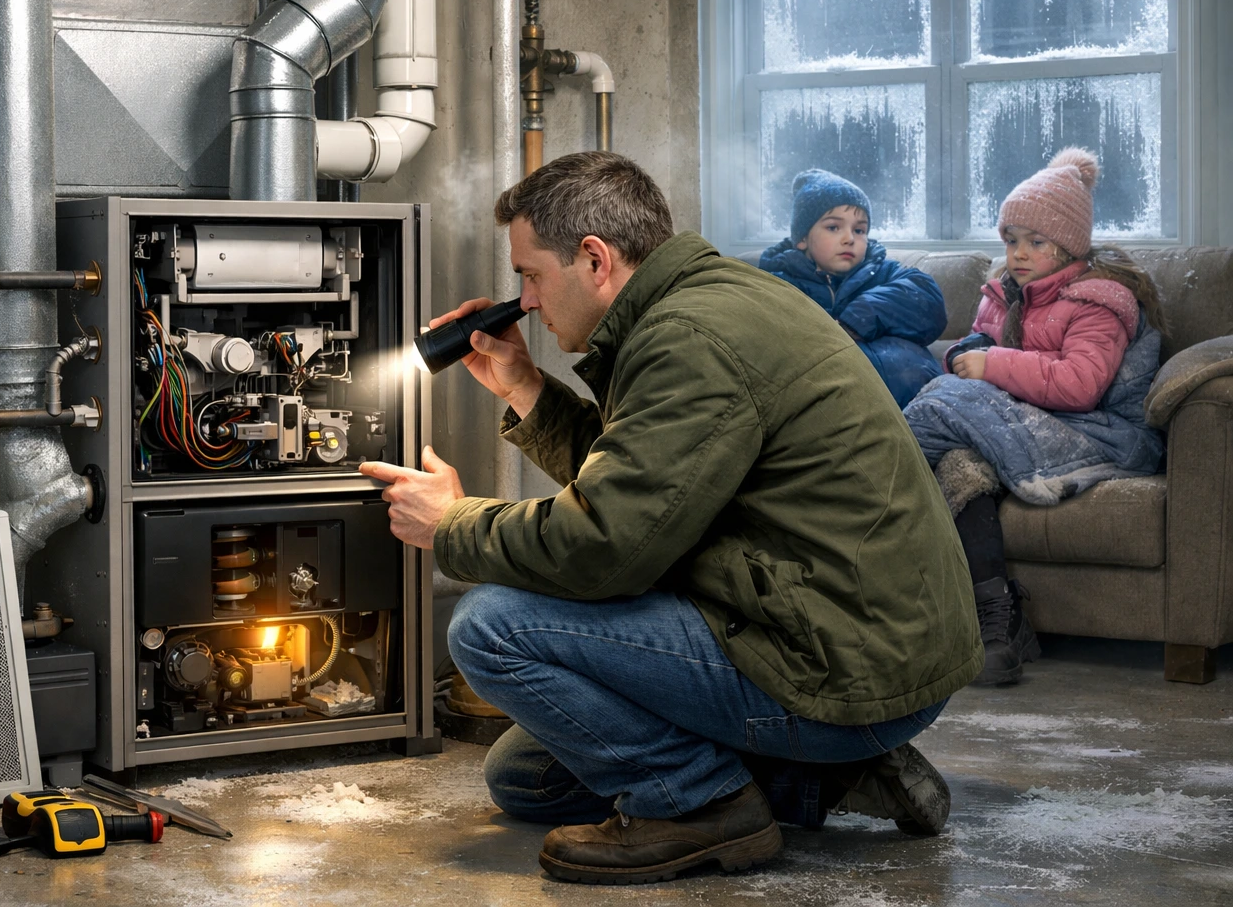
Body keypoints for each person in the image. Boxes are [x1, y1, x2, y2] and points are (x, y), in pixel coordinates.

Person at [358, 151, 981, 885]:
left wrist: (455, 523)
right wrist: (526, 387)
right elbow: (655, 487)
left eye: (530, 274)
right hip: (850, 633)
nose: (524, 300)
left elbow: (606, 547)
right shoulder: (700, 303)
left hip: (838, 658)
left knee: (491, 626)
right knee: (526, 778)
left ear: (594, 258)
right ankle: (823, 775)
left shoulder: (689, 340)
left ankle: (702, 808)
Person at [903, 148, 1166, 686]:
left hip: (1099, 431)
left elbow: (1080, 384)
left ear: (1069, 245)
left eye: (1036, 242)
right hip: (1026, 415)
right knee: (959, 463)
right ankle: (997, 624)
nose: (1018, 253)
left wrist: (990, 363)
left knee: (934, 408)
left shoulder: (1098, 302)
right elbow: (987, 344)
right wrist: (967, 352)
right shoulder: (1005, 295)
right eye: (1011, 239)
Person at [759, 169, 946, 408]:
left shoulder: (884, 273)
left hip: (913, 411)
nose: (849, 238)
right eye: (833, 228)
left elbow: (929, 301)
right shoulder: (775, 286)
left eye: (859, 230)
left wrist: (859, 317)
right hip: (833, 415)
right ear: (802, 238)